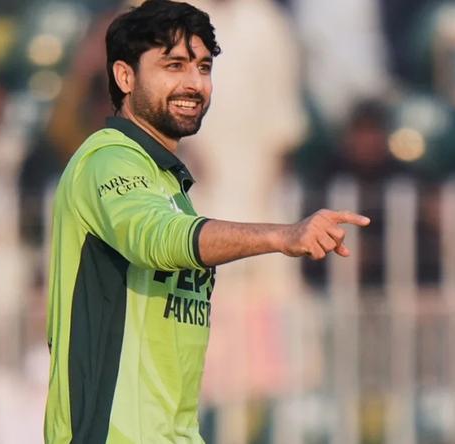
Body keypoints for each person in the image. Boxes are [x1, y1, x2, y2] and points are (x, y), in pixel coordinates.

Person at [43, 1, 370, 442]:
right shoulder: (108, 162)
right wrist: (280, 235)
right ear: (125, 77)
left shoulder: (169, 182)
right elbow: (160, 239)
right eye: (173, 66)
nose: (193, 83)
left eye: (203, 67)